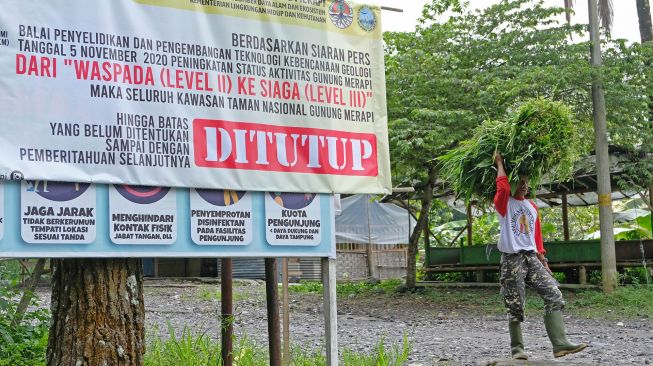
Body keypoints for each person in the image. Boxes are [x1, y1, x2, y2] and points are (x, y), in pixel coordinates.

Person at [493, 152, 587, 360]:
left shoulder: (532, 207)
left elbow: (536, 237)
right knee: (515, 304)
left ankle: (560, 344)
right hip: (512, 259)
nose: (525, 186)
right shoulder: (504, 203)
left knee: (554, 294)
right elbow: (502, 186)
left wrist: (543, 261)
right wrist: (500, 163)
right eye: (521, 182)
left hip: (532, 258)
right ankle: (517, 349)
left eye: (527, 183)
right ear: (513, 182)